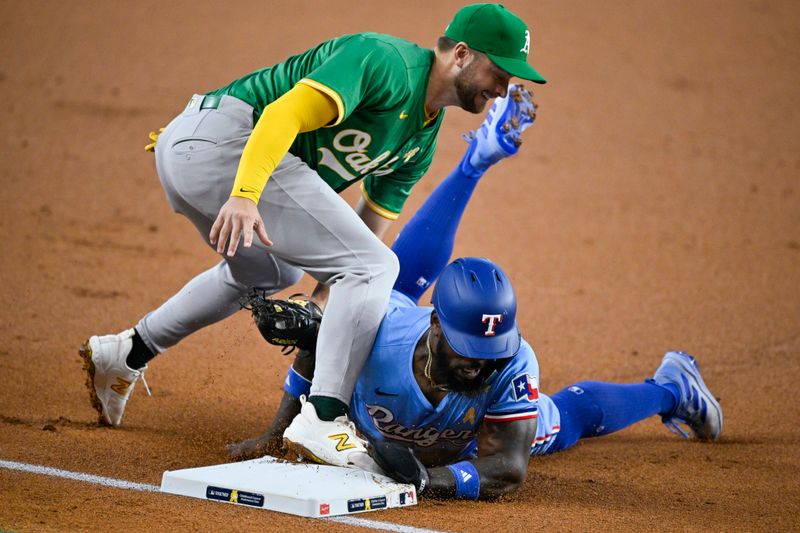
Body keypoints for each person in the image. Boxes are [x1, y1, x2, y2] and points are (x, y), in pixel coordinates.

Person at [78, 3, 547, 466]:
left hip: (216, 160)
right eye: (500, 71)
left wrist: (319, 304)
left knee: (271, 270)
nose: (505, 87)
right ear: (461, 54)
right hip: (224, 142)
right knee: (378, 266)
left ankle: (128, 351)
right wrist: (244, 193)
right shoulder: (385, 62)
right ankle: (323, 418)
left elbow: (363, 232)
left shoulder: (420, 140)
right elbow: (283, 114)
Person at [227, 88, 723, 500]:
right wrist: (279, 433)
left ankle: (672, 390)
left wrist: (428, 481)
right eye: (470, 352)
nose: (480, 366)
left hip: (467, 443)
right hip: (397, 335)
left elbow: (507, 468)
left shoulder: (510, 365)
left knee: (568, 420)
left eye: (490, 354)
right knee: (384, 291)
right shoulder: (385, 329)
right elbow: (320, 345)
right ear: (436, 325)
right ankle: (472, 164)